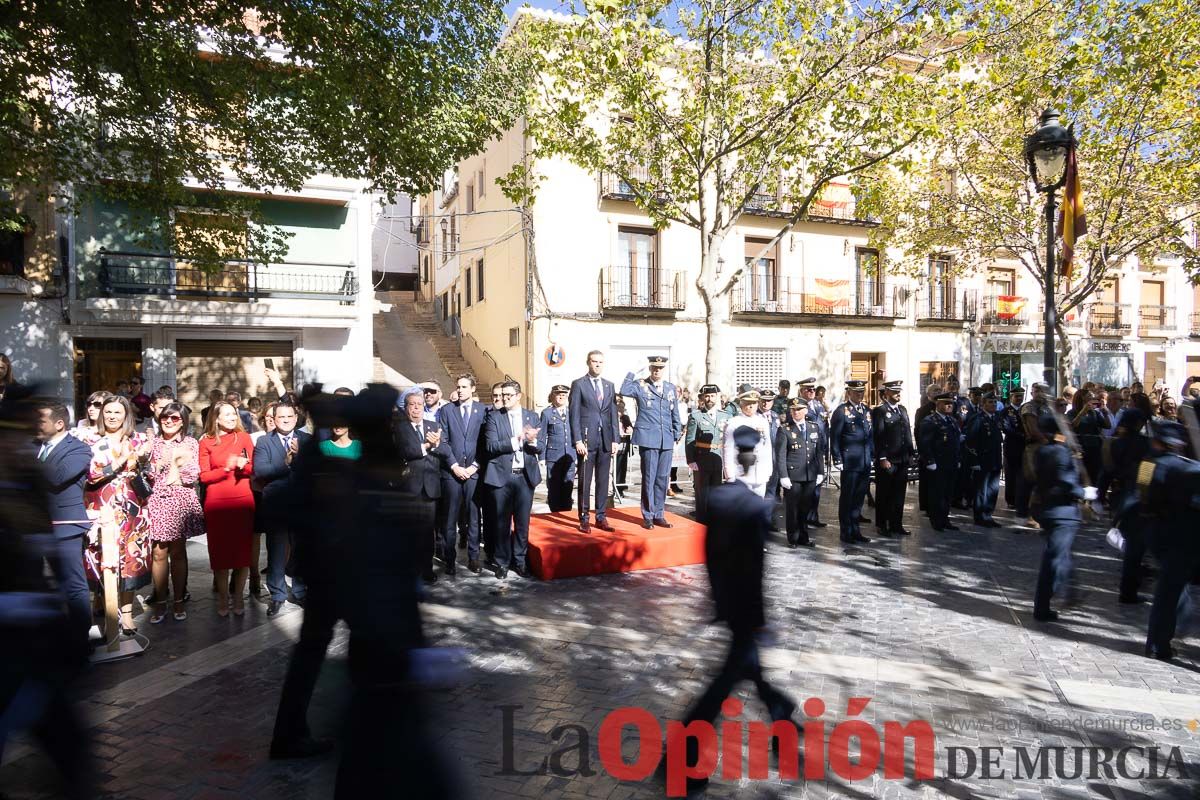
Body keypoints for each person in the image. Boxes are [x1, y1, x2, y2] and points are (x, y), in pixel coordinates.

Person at [678, 426, 797, 796]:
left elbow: (710, 559)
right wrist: (758, 621)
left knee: (742, 674)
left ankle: (781, 714)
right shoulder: (757, 507)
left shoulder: (715, 500)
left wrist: (719, 603)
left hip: (729, 606)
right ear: (756, 459)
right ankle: (681, 760)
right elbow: (755, 573)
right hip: (746, 611)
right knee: (723, 686)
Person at [84, 395, 153, 634]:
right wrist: (123, 459)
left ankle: (125, 613)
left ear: (126, 416)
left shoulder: (138, 439)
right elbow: (92, 474)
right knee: (104, 560)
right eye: (108, 412)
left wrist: (145, 458)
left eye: (117, 413)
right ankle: (105, 607)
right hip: (103, 509)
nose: (112, 416)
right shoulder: (91, 440)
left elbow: (150, 475)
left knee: (131, 561)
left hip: (134, 510)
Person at [34, 399, 94, 644]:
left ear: (59, 424)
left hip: (66, 527)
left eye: (41, 420)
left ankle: (80, 641)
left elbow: (58, 477)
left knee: (73, 585)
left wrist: (25, 464)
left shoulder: (79, 449)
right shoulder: (34, 446)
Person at [1031, 414, 1097, 621]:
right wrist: (1084, 493)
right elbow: (1066, 481)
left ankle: (1068, 592)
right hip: (1062, 512)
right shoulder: (1060, 453)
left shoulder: (1044, 450)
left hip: (1049, 510)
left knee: (1060, 556)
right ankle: (1044, 606)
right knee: (1054, 560)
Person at [145, 402, 204, 623]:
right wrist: (157, 466)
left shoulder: (190, 443)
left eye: (175, 418)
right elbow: (145, 473)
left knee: (178, 552)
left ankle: (179, 599)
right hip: (156, 502)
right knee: (159, 553)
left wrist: (176, 467)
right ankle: (160, 601)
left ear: (182, 421)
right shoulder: (152, 443)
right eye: (165, 418)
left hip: (179, 502)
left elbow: (192, 475)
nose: (169, 422)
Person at [199, 401, 256, 617]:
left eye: (234, 414)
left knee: (243, 554)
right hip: (217, 502)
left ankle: (238, 596)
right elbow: (203, 476)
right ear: (217, 418)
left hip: (243, 500)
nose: (233, 417)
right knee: (220, 554)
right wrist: (226, 468)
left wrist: (244, 465)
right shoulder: (206, 442)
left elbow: (254, 467)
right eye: (228, 414)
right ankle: (223, 597)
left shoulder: (244, 437)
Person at [483, 380, 543, 579]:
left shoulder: (532, 416)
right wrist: (518, 439)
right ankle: (501, 562)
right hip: (502, 476)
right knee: (501, 523)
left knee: (522, 523)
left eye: (509, 395)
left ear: (518, 396)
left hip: (525, 477)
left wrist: (533, 440)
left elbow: (540, 447)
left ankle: (520, 561)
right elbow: (491, 446)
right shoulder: (494, 417)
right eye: (503, 394)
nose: (505, 398)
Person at [255, 402, 310, 610]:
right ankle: (277, 595)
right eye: (281, 417)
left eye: (289, 417)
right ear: (274, 419)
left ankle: (300, 591)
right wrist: (285, 463)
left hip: (302, 504)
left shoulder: (307, 440)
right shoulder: (263, 442)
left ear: (296, 419)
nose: (286, 420)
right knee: (276, 550)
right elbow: (261, 471)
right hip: (276, 503)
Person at [621, 356, 683, 529]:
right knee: (649, 477)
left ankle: (659, 513)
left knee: (663, 478)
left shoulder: (670, 388)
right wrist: (634, 370)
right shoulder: (641, 386)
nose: (657, 371)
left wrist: (677, 433)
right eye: (654, 368)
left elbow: (674, 412)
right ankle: (648, 514)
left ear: (664, 369)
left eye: (660, 368)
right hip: (648, 438)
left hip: (666, 438)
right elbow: (624, 389)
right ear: (650, 368)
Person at [396, 390, 450, 583]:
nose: (417, 407)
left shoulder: (433, 425)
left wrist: (435, 445)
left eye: (419, 404)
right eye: (412, 404)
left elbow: (445, 449)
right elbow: (406, 451)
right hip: (409, 487)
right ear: (406, 408)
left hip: (430, 487)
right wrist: (427, 445)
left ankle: (427, 569)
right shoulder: (399, 428)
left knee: (428, 532)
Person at [436, 374, 485, 574]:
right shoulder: (447, 410)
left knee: (474, 517)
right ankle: (449, 559)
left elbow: (485, 442)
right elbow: (443, 440)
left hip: (473, 472)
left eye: (465, 386)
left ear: (473, 389)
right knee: (450, 517)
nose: (460, 390)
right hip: (452, 472)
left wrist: (474, 466)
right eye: (458, 386)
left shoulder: (483, 411)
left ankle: (473, 558)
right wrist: (454, 465)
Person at [568, 350, 619, 532]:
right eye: (594, 361)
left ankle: (601, 516)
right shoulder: (579, 384)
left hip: (605, 440)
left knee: (603, 481)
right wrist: (578, 440)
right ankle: (584, 517)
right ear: (588, 362)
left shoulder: (609, 386)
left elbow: (613, 413)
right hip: (587, 442)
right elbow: (573, 415)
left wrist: (615, 439)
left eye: (600, 362)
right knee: (585, 481)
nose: (597, 365)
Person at [774, 399, 824, 547]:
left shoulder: (813, 427)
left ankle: (804, 536)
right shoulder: (785, 429)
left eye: (800, 409)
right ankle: (793, 537)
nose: (796, 412)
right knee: (793, 508)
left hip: (810, 474)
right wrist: (783, 475)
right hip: (793, 475)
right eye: (794, 409)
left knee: (805, 507)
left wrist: (820, 471)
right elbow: (781, 455)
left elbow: (818, 452)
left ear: (806, 410)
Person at [830, 379, 873, 544]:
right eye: (856, 392)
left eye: (862, 392)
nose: (859, 395)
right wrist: (837, 458)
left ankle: (856, 530)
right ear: (849, 393)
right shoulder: (842, 411)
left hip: (864, 461)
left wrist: (872, 455)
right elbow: (835, 437)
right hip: (849, 461)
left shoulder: (866, 411)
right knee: (847, 498)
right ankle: (845, 531)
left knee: (859, 498)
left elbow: (870, 437)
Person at [871, 379, 914, 537]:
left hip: (901, 458)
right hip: (888, 459)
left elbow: (907, 433)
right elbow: (879, 436)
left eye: (899, 391)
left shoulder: (902, 410)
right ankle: (882, 525)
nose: (898, 394)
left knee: (899, 494)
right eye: (894, 391)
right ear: (886, 392)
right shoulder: (880, 411)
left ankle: (897, 523)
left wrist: (910, 453)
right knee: (884, 493)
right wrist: (882, 457)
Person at [918, 393, 961, 532]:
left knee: (948, 493)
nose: (950, 406)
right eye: (946, 403)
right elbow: (925, 443)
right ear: (938, 404)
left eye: (951, 404)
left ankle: (945, 518)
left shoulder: (952, 420)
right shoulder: (930, 420)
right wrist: (929, 460)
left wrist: (958, 458)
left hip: (951, 462)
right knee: (937, 493)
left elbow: (956, 442)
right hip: (937, 462)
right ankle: (936, 520)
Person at [685, 384, 727, 522]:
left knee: (717, 491)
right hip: (701, 459)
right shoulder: (696, 416)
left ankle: (715, 520)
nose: (710, 399)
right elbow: (690, 439)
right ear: (703, 397)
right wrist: (691, 460)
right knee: (702, 493)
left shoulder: (725, 416)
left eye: (712, 396)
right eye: (707, 396)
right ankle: (702, 521)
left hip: (718, 458)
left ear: (717, 397)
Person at [722, 389, 772, 497]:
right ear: (741, 404)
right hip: (741, 473)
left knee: (758, 507)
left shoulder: (763, 421)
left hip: (760, 472)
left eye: (754, 403)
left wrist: (768, 470)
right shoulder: (733, 423)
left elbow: (767, 447)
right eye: (748, 403)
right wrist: (729, 474)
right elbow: (728, 450)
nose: (751, 406)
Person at [963, 392, 1003, 527]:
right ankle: (980, 516)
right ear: (983, 404)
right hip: (982, 460)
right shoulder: (977, 419)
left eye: (994, 402)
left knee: (993, 489)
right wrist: (974, 462)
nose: (993, 405)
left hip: (995, 458)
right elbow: (970, 441)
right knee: (981, 490)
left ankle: (988, 514)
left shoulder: (996, 418)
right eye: (990, 402)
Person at [1019, 383, 1055, 527]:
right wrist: (1047, 440)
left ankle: (1042, 512)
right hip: (1035, 447)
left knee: (1045, 481)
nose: (1041, 393)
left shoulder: (1049, 407)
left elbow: (1058, 427)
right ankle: (1027, 514)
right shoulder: (1030, 407)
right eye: (1037, 390)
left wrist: (1060, 441)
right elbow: (1033, 430)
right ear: (1032, 392)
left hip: (1050, 446)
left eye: (1043, 390)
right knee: (1032, 480)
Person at [798, 378, 829, 527]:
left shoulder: (819, 405)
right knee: (804, 488)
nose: (811, 392)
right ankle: (802, 518)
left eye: (812, 389)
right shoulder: (797, 405)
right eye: (808, 389)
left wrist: (826, 447)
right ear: (801, 390)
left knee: (817, 486)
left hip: (818, 450)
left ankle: (813, 516)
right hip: (804, 450)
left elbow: (824, 428)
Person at [539, 384, 575, 514]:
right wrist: (541, 457)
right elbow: (541, 436)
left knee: (568, 485)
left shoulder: (572, 412)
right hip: (553, 456)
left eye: (564, 394)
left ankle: (567, 511)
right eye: (558, 394)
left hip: (570, 454)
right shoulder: (547, 413)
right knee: (554, 487)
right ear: (553, 395)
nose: (561, 396)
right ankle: (554, 512)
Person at [999, 386, 1027, 513]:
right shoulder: (1006, 411)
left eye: (1021, 396)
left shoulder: (1025, 410)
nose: (1019, 398)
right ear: (1011, 397)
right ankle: (1011, 500)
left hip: (1025, 447)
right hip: (1012, 446)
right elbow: (1006, 428)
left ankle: (1021, 499)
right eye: (1017, 396)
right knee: (1011, 475)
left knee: (1022, 475)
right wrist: (1022, 435)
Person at [615, 396, 633, 490]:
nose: (621, 409)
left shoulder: (625, 417)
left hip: (624, 445)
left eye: (623, 407)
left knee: (623, 466)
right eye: (620, 407)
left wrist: (630, 429)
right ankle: (615, 485)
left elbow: (630, 427)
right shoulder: (612, 417)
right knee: (615, 467)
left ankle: (621, 485)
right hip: (615, 445)